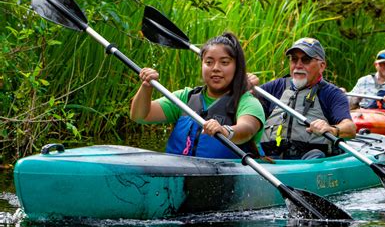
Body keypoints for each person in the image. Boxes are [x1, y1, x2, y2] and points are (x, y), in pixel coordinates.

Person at [130, 32, 265, 159]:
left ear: (237, 67)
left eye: (224, 62)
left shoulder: (247, 102)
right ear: (202, 65)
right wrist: (146, 87)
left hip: (227, 180)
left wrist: (225, 131)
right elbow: (140, 116)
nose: (215, 68)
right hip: (180, 177)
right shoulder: (185, 97)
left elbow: (247, 129)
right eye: (209, 62)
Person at [248, 37, 356, 160]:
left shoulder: (332, 93)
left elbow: (350, 128)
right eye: (294, 59)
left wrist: (332, 130)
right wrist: (245, 86)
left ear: (321, 66)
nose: (298, 65)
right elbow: (242, 104)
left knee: (315, 155)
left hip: (311, 161)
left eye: (306, 60)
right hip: (271, 160)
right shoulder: (275, 87)